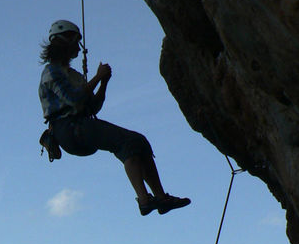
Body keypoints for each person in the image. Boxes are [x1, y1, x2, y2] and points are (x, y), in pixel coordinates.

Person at [39, 20, 190, 216]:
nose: (78, 46)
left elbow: (93, 106)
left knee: (139, 142)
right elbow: (75, 99)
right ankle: (145, 200)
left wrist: (103, 82)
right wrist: (96, 77)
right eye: (76, 41)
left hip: (78, 126)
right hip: (68, 128)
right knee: (127, 142)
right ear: (64, 41)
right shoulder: (51, 72)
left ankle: (160, 197)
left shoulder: (73, 75)